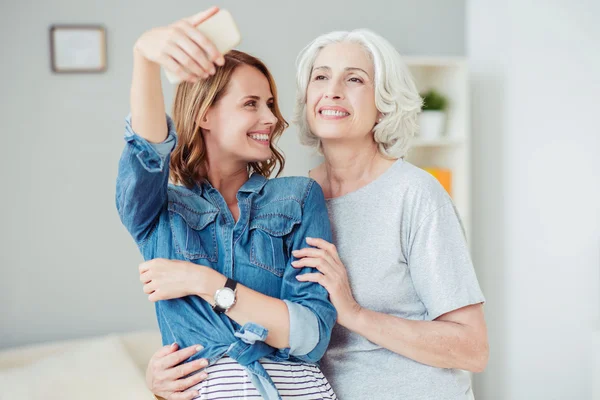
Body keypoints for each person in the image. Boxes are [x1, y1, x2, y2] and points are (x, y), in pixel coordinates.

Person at [144, 17, 489, 400]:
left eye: (355, 79)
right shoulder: (288, 203)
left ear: (384, 103)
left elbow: (472, 349)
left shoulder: (414, 193)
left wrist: (354, 313)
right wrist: (164, 378)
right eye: (321, 77)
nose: (333, 91)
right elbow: (249, 320)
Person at [116, 7, 337, 400]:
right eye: (251, 104)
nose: (271, 117)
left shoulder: (299, 197)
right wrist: (145, 57)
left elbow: (310, 334)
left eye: (270, 103)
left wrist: (203, 282)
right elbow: (147, 150)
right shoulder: (159, 212)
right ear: (205, 115)